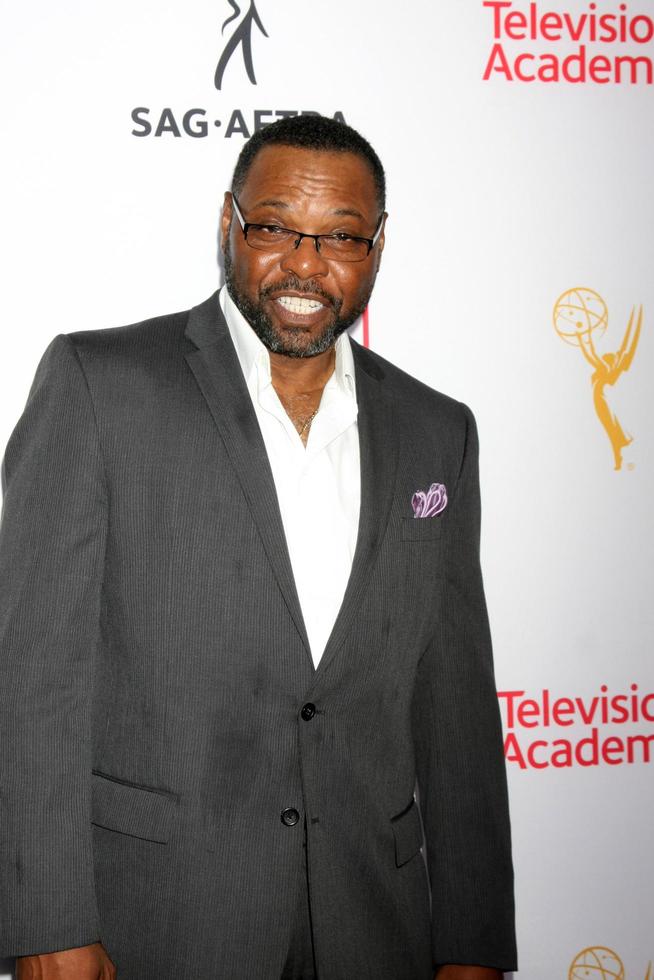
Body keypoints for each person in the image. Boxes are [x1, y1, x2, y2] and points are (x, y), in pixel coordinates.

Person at [0, 115, 516, 980]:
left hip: (374, 930)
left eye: (342, 237)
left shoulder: (438, 432)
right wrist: (45, 920)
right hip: (158, 921)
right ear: (229, 224)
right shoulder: (100, 386)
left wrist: (472, 942)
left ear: (378, 246)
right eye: (276, 227)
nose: (308, 264)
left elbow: (455, 704)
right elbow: (30, 683)